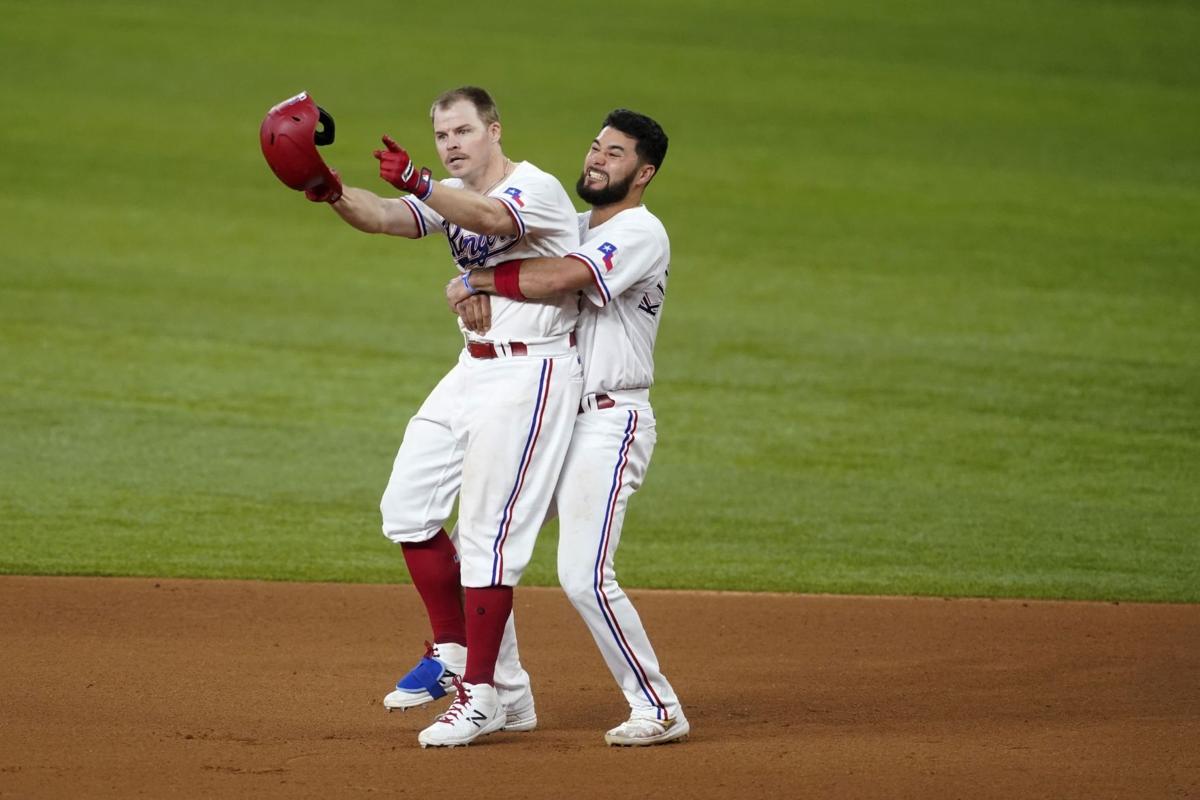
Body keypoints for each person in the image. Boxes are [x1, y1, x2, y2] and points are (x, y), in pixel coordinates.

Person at [305, 86, 583, 748]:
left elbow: (489, 220)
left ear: (494, 131)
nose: (452, 143)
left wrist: (424, 183)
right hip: (473, 369)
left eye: (462, 131)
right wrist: (330, 190)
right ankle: (461, 660)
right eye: (441, 135)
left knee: (486, 538)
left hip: (530, 373)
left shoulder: (532, 189)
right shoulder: (445, 196)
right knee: (407, 507)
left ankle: (482, 695)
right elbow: (380, 217)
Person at [446, 109, 687, 746]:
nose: (598, 159)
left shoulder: (639, 231)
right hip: (548, 411)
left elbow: (561, 278)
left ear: (644, 173)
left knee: (583, 574)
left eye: (616, 153)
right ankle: (497, 694)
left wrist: (478, 280)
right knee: (486, 544)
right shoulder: (572, 226)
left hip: (608, 420)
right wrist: (480, 299)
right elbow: (520, 276)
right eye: (595, 146)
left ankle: (658, 706)